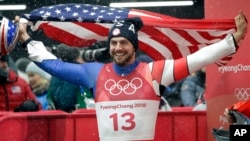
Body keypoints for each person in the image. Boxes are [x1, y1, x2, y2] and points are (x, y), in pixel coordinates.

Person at [16, 11, 247, 141]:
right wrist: (26, 39)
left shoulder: (154, 72)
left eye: (123, 43)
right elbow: (53, 65)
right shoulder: (94, 72)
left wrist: (232, 40)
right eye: (114, 43)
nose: (117, 47)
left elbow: (197, 59)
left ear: (134, 47)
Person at [47, 43, 94, 112]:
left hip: (60, 117)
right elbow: (67, 100)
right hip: (78, 116)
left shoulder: (56, 72)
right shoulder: (80, 73)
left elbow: (52, 98)